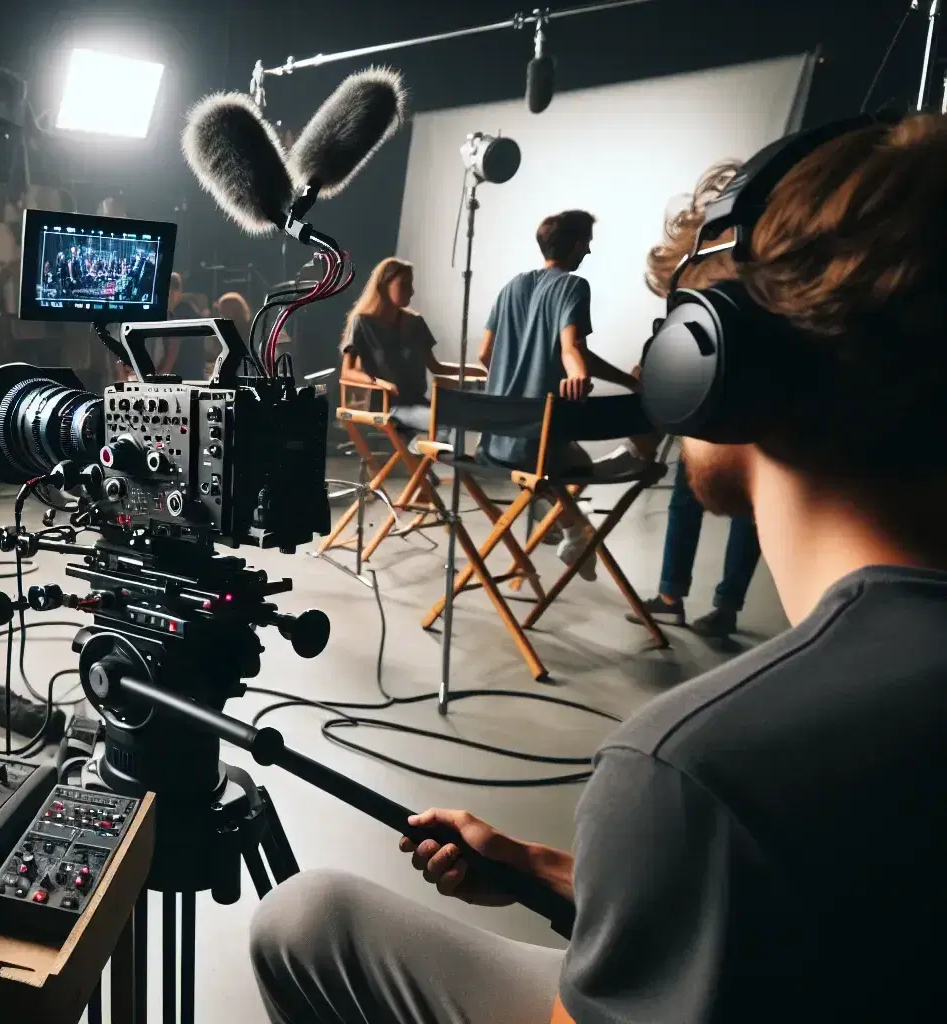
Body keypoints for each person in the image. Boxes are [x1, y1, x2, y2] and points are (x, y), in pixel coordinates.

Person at [249, 113, 947, 1024]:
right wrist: (538, 866)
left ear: (713, 363)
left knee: (303, 919)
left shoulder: (697, 770)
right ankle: (564, 537)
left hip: (501, 442)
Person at [617, 163, 764, 638]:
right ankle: (694, 601)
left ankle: (687, 600)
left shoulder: (724, 278)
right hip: (724, 414)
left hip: (731, 413)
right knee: (708, 502)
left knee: (724, 504)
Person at [477, 211, 643, 575]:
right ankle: (576, 529)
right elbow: (571, 348)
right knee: (583, 458)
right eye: (587, 240)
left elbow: (484, 354)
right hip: (535, 446)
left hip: (496, 443)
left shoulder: (511, 287)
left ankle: (569, 524)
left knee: (563, 457)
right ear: (577, 244)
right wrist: (578, 373)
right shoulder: (572, 286)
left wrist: (514, 384)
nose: (590, 248)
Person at [339, 257, 484, 434]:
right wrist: (380, 383)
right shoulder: (362, 322)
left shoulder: (415, 322)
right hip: (386, 406)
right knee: (443, 424)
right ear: (385, 285)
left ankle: (418, 454)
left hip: (418, 403)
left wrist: (477, 371)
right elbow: (348, 372)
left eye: (411, 284)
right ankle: (417, 453)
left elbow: (436, 367)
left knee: (471, 417)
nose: (412, 291)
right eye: (404, 284)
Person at [157, 271, 210, 379]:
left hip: (181, 375)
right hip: (194, 374)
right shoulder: (191, 311)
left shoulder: (180, 314)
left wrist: (161, 377)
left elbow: (173, 348)